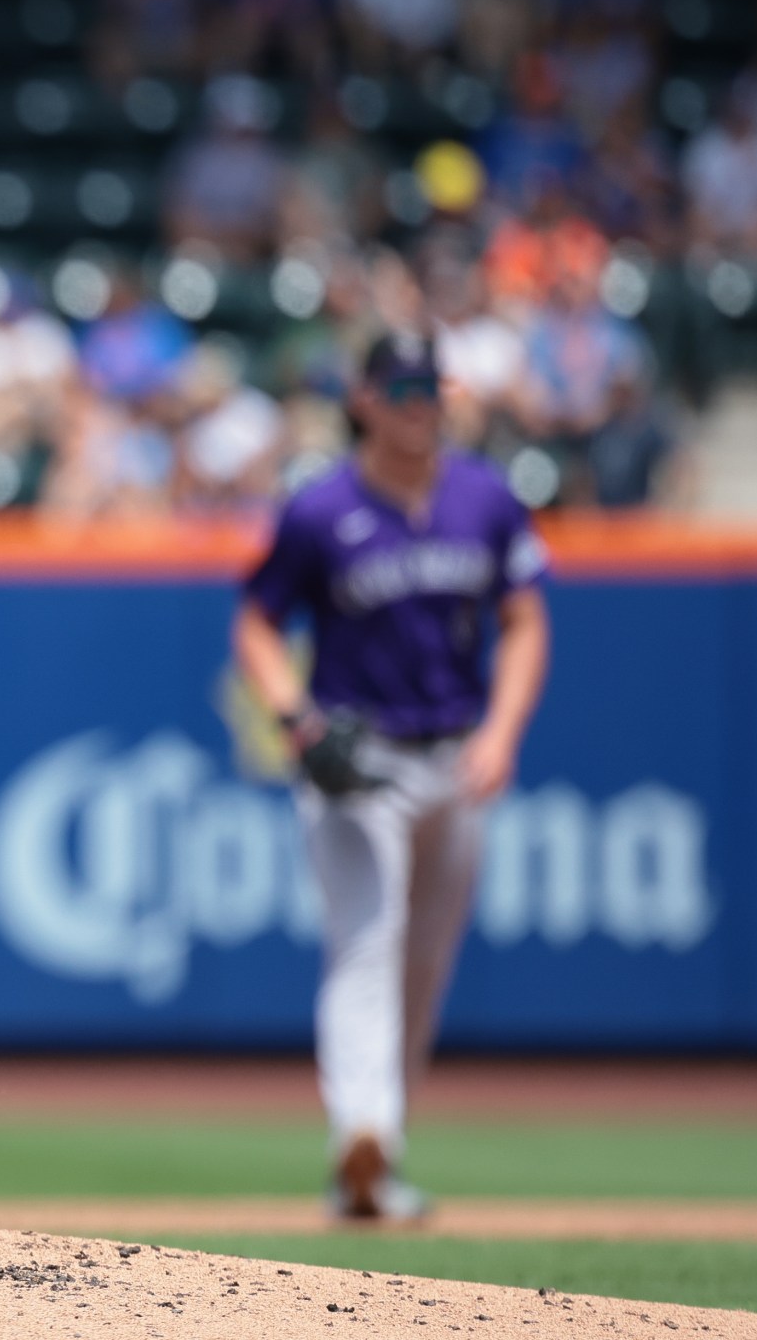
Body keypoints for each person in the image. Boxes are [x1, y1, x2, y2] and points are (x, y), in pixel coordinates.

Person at [232, 334, 551, 1221]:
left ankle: (382, 1148)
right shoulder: (320, 508)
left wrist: (504, 729)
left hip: (457, 754)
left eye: (432, 386)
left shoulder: (486, 497)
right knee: (367, 941)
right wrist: (294, 717)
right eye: (403, 387)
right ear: (365, 399)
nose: (422, 403)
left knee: (426, 962)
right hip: (358, 759)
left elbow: (525, 621)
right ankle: (359, 1137)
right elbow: (257, 625)